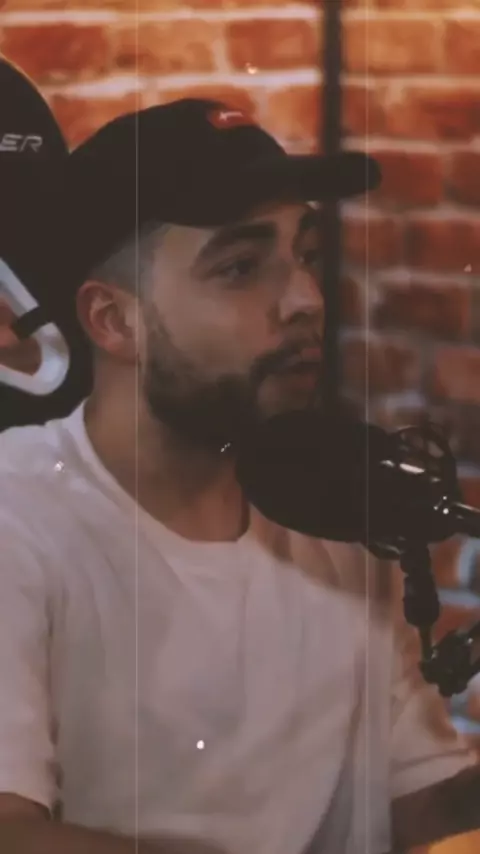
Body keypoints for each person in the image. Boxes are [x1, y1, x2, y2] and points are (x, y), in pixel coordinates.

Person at [0, 98, 478, 854]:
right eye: (240, 268)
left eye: (306, 256)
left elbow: (413, 806)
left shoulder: (336, 511)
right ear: (114, 321)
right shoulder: (17, 517)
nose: (306, 301)